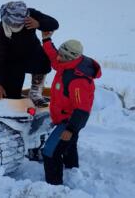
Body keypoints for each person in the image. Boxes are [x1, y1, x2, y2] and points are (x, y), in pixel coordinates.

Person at [41, 31, 101, 185]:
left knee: (50, 151)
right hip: (65, 119)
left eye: (62, 56)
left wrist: (71, 129)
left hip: (69, 121)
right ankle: (72, 172)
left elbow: (82, 109)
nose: (58, 58)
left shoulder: (78, 80)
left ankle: (53, 187)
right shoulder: (67, 64)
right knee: (68, 146)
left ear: (70, 57)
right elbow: (54, 58)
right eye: (59, 54)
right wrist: (46, 39)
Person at [0, 1, 59, 107]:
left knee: (43, 60)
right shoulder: (1, 31)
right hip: (13, 62)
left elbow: (54, 23)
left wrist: (39, 24)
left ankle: (35, 92)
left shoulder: (30, 14)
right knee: (12, 96)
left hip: (32, 54)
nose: (18, 25)